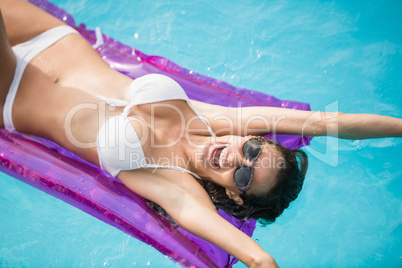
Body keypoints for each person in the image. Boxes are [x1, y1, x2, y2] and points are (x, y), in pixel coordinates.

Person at [0, 0, 401, 267]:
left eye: (243, 176)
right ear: (252, 137)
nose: (235, 159)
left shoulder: (173, 185)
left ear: (232, 194)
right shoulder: (219, 120)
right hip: (48, 36)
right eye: (251, 151)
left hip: (9, 92)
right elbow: (328, 123)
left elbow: (258, 259)